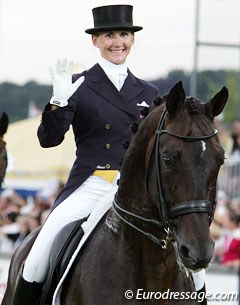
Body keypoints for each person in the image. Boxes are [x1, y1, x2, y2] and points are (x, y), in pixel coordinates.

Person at [11, 4, 159, 305]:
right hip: (91, 184)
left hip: (135, 191)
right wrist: (58, 101)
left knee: (193, 262)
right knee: (38, 256)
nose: (117, 42)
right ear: (95, 41)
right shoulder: (78, 85)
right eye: (109, 35)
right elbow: (49, 140)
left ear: (132, 40)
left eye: (123, 34)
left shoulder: (149, 92)